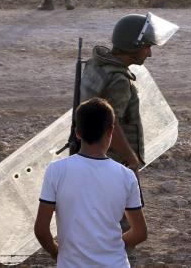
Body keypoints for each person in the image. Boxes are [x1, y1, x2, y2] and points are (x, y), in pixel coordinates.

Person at [34, 98, 148, 268]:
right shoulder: (126, 176)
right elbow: (140, 232)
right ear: (110, 131)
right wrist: (108, 248)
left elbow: (41, 230)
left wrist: (58, 253)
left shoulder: (56, 170)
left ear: (78, 133)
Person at [79, 13, 179, 168]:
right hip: (111, 161)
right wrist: (131, 158)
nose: (150, 54)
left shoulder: (98, 65)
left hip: (89, 154)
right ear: (134, 46)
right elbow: (110, 123)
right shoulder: (119, 80)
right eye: (147, 47)